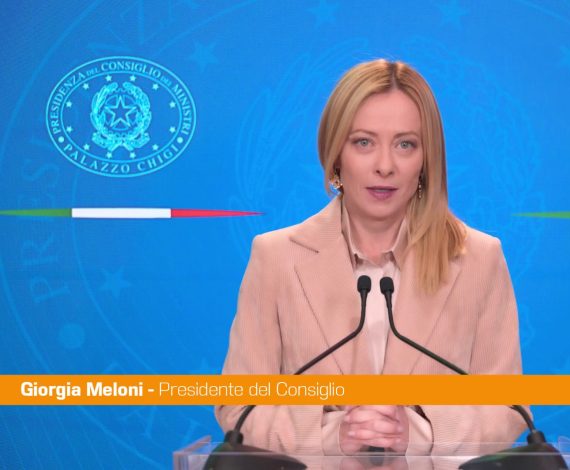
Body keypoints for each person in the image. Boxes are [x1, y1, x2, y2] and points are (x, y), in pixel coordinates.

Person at [216, 59, 528, 456]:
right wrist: (334, 435)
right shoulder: (276, 258)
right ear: (336, 154)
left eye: (405, 144)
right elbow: (239, 406)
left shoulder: (479, 259)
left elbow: (508, 408)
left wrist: (418, 433)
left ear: (427, 159)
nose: (385, 166)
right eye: (363, 142)